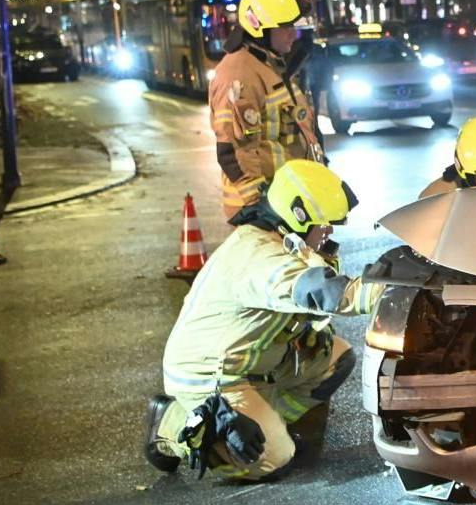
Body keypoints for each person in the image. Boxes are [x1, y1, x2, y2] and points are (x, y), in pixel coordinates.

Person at [145, 159, 379, 481]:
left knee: (336, 358)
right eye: (324, 226)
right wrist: (387, 292)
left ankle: (267, 422)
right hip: (209, 374)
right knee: (273, 460)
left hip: (249, 361)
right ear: (297, 217)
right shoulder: (260, 256)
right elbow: (322, 291)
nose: (328, 234)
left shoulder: (276, 239)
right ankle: (173, 423)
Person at [210, 0, 323, 222]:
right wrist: (258, 204)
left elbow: (298, 133)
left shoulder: (271, 64)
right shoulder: (239, 75)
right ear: (258, 26)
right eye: (285, 27)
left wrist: (323, 180)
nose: (293, 35)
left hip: (287, 202)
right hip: (262, 211)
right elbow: (233, 149)